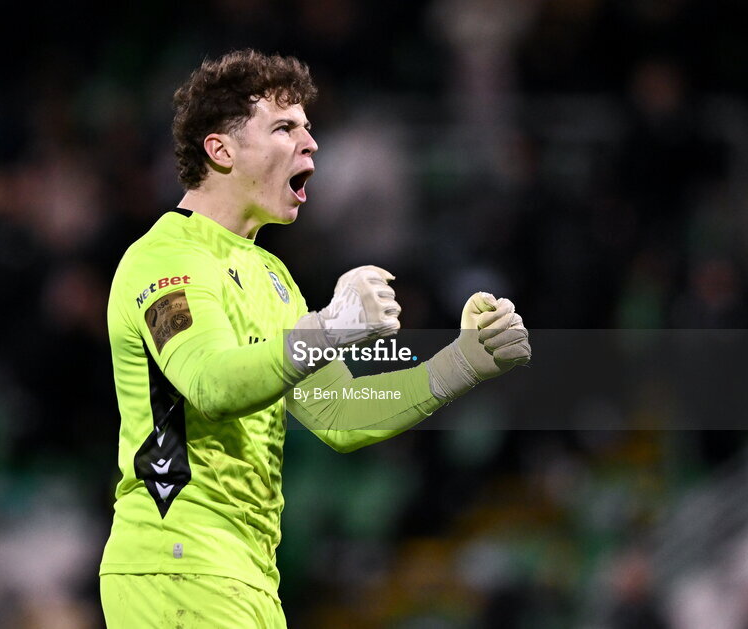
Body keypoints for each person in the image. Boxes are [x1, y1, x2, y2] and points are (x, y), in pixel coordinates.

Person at [98, 49, 531, 628]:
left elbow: (339, 415)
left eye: (307, 127)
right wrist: (329, 328)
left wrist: (464, 361)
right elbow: (208, 382)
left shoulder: (272, 278)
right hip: (176, 564)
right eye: (284, 127)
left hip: (247, 576)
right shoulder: (165, 260)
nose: (311, 143)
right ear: (221, 150)